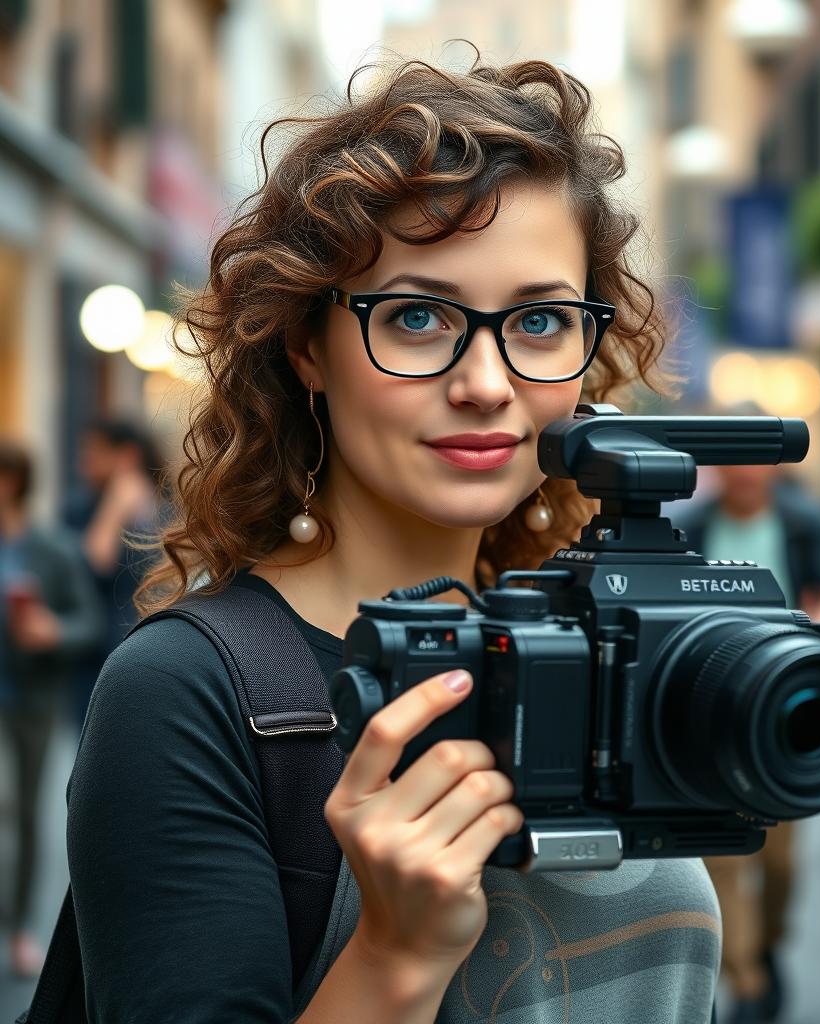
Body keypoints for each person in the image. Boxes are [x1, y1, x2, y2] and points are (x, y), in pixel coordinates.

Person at [64, 54, 724, 1023]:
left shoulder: (611, 653)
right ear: (305, 346)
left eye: (540, 320)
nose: (487, 383)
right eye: (418, 316)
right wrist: (396, 956)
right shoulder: (185, 694)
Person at [671, 454, 820, 1024]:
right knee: (722, 858)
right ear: (720, 472)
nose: (746, 473)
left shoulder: (805, 520)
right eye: (734, 463)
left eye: (756, 462)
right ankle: (748, 981)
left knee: (780, 863)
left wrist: (811, 634)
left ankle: (767, 944)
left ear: (774, 471)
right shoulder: (694, 526)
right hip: (712, 707)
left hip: (782, 712)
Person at [0, 441, 102, 977]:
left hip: (30, 698)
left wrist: (51, 630)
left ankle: (18, 928)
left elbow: (88, 620)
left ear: (12, 482)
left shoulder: (52, 548)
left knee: (23, 815)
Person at [62, 419, 165, 726]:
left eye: (93, 453)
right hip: (95, 653)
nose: (84, 463)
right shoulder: (79, 508)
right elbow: (91, 565)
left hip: (152, 648)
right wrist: (115, 508)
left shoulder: (164, 507)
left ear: (127, 456)